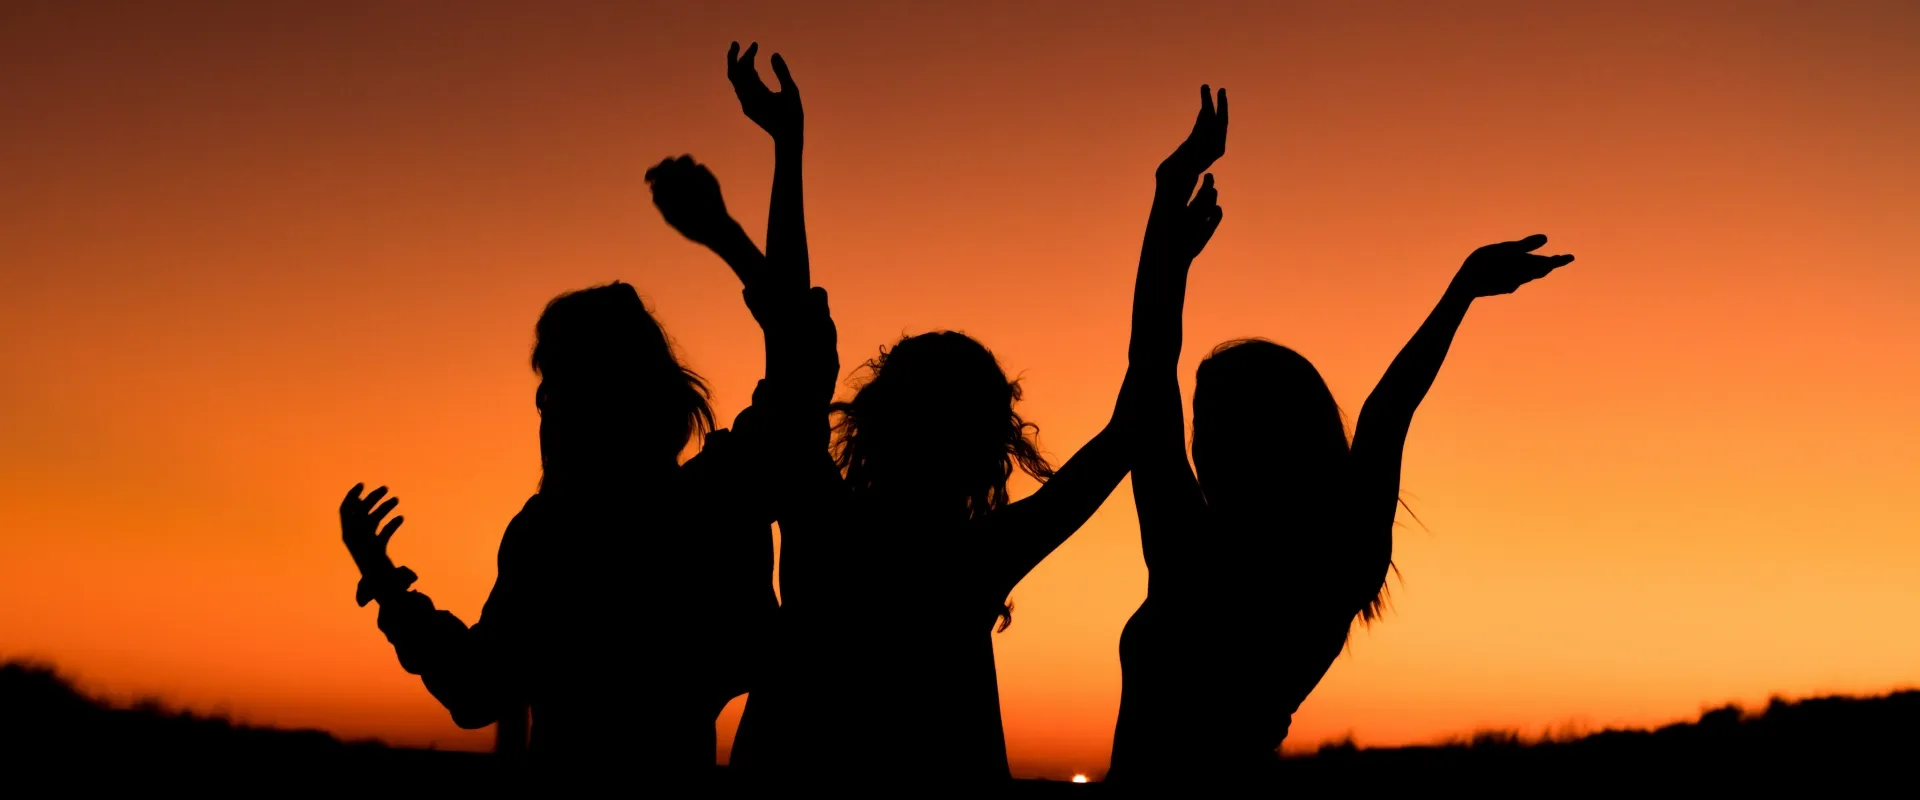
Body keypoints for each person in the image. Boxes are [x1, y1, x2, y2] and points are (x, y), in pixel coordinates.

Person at [336, 50, 828, 775]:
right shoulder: (710, 504)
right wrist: (767, 174)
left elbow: (474, 688)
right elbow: (800, 360)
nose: (542, 401)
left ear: (582, 402)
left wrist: (384, 582)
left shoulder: (554, 535)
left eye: (554, 380)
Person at [1106, 90, 1575, 782]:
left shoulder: (1192, 554)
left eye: (1211, 423)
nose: (1196, 443)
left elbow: (1150, 363)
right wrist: (1460, 293)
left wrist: (1168, 209)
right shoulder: (1339, 559)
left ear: (1260, 438)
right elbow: (1386, 413)